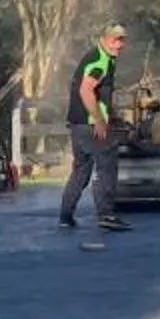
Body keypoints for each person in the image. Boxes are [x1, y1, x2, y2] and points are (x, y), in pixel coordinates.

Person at [57, 22, 132, 234]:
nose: (118, 45)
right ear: (103, 39)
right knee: (107, 167)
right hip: (91, 125)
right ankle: (106, 215)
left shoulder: (97, 56)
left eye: (121, 40)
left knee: (81, 170)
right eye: (114, 40)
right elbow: (86, 90)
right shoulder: (100, 60)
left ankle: (65, 215)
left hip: (77, 124)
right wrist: (99, 120)